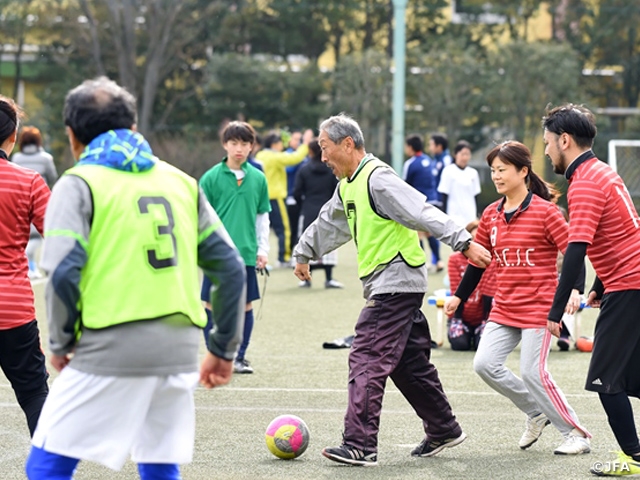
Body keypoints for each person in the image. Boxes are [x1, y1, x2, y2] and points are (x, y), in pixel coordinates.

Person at [25, 77, 246, 480]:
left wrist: (61, 341)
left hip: (109, 343)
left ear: (73, 137)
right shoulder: (181, 182)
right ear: (133, 128)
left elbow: (61, 271)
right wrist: (223, 349)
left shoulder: (78, 183)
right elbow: (230, 268)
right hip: (178, 349)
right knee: (159, 462)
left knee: (47, 461)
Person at [293, 113, 492, 466]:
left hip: (395, 282)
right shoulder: (348, 185)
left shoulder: (378, 178)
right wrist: (304, 252)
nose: (322, 157)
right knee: (407, 365)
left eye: (325, 148)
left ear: (348, 144)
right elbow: (329, 223)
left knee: (366, 355)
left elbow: (421, 211)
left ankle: (359, 444)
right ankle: (444, 428)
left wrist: (462, 242)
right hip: (390, 284)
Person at [444, 140, 591, 456]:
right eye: (493, 170)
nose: (496, 176)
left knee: (532, 372)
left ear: (523, 171)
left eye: (502, 170)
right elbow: (478, 261)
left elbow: (574, 252)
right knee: (484, 364)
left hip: (540, 306)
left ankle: (576, 434)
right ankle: (536, 413)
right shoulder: (491, 214)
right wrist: (458, 296)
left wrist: (576, 288)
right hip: (504, 306)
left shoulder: (546, 212)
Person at [543, 104, 640, 476]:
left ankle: (634, 457)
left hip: (630, 286)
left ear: (564, 140)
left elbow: (576, 250)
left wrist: (554, 312)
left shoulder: (583, 182)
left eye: (549, 143)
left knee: (606, 380)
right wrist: (601, 283)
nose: (548, 150)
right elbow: (622, 232)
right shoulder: (604, 172)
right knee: (631, 378)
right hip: (628, 283)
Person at [199, 121, 271, 374]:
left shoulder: (259, 179)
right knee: (210, 304)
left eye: (244, 143)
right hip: (216, 254)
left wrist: (263, 250)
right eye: (233, 143)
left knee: (245, 306)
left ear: (252, 146)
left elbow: (263, 217)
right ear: (224, 145)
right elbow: (199, 217)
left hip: (247, 253)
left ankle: (239, 358)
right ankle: (216, 357)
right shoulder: (210, 178)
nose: (238, 149)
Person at [0, 97, 50, 437]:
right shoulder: (29, 181)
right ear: (12, 136)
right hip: (13, 309)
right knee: (35, 394)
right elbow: (64, 239)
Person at [256, 129, 312, 267]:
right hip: (275, 197)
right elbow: (295, 158)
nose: (283, 146)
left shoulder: (260, 155)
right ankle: (283, 258)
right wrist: (305, 144)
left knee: (260, 228)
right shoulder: (275, 157)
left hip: (261, 197)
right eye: (281, 142)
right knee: (284, 229)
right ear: (275, 144)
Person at [293, 140, 342, 289]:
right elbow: (337, 189)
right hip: (327, 208)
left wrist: (303, 205)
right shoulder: (331, 170)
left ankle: (307, 279)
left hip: (308, 209)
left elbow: (296, 192)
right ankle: (329, 278)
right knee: (329, 240)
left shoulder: (304, 170)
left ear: (310, 151)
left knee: (308, 239)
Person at [11, 126, 58, 278]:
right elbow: (53, 179)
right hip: (38, 199)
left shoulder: (17, 158)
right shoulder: (46, 158)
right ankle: (31, 265)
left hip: (18, 201)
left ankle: (30, 265)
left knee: (21, 235)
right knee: (37, 236)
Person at [446, 219, 496, 351]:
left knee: (483, 346)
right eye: (473, 240)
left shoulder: (492, 260)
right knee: (460, 345)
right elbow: (455, 289)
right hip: (462, 314)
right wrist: (457, 319)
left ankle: (482, 328)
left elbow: (489, 291)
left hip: (483, 315)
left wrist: (487, 320)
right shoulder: (455, 259)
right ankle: (458, 324)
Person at [403, 134, 444, 272]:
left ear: (410, 147)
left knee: (418, 233)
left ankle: (421, 263)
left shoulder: (411, 163)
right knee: (429, 233)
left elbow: (405, 185)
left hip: (419, 202)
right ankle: (438, 261)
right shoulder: (429, 160)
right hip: (433, 200)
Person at [437, 140, 481, 227]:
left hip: (470, 216)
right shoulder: (448, 171)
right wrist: (444, 217)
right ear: (456, 154)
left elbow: (476, 196)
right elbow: (444, 195)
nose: (465, 157)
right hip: (454, 216)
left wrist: (477, 215)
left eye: (467, 154)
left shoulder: (473, 173)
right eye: (462, 154)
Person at [285, 130, 305, 252]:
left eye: (300, 140)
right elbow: (289, 169)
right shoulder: (287, 155)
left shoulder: (303, 157)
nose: (298, 142)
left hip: (301, 197)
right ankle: (286, 254)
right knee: (290, 228)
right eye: (296, 139)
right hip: (288, 196)